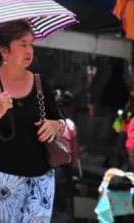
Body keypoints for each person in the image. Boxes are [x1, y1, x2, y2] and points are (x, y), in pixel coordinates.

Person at [0, 20, 65, 223]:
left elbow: (60, 121)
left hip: (38, 181)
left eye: (31, 44)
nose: (29, 50)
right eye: (22, 44)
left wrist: (55, 126)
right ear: (4, 51)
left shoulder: (40, 83)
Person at [51, 89, 80, 223]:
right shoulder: (69, 125)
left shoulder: (49, 123)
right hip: (62, 169)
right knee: (61, 203)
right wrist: (74, 167)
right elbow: (75, 152)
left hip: (52, 167)